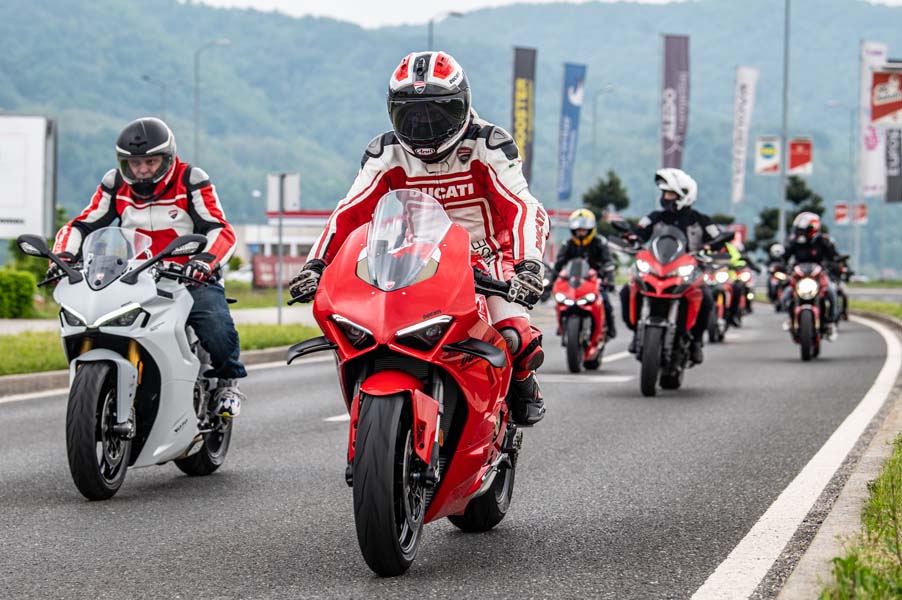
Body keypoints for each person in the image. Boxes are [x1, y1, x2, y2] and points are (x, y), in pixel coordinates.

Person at [289, 51, 549, 426]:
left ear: (463, 106)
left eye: (438, 113)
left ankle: (522, 383)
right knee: (369, 330)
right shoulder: (385, 152)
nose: (425, 126)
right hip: (415, 262)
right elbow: (350, 212)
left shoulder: (489, 144)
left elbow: (522, 206)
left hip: (489, 258)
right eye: (412, 115)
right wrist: (315, 266)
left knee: (514, 336)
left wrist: (529, 266)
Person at [51, 117, 246, 417]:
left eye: (150, 162)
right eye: (134, 163)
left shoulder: (190, 180)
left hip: (189, 277)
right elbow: (82, 224)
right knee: (97, 323)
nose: (141, 170)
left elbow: (219, 229)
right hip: (134, 277)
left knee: (215, 326)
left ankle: (227, 381)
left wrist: (204, 261)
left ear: (167, 158)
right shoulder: (115, 184)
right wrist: (63, 256)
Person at [619, 168, 723, 364]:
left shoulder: (701, 220)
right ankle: (635, 332)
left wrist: (713, 247)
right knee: (627, 291)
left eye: (670, 194)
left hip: (689, 271)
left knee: (707, 299)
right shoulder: (655, 217)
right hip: (658, 268)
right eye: (664, 193)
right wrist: (631, 237)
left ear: (684, 196)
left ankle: (696, 341)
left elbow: (718, 239)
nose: (665, 197)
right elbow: (639, 233)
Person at [552, 208, 617, 339]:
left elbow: (608, 261)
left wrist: (609, 278)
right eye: (578, 230)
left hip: (595, 281)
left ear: (590, 230)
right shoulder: (568, 244)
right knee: (560, 301)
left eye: (583, 230)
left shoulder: (599, 242)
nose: (580, 233)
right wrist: (549, 282)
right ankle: (561, 325)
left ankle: (610, 327)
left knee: (605, 301)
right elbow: (558, 264)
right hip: (573, 282)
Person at [781, 211, 841, 339]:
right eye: (798, 230)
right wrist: (781, 266)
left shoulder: (823, 241)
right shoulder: (794, 242)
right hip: (799, 277)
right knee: (786, 294)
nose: (799, 233)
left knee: (831, 292)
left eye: (802, 230)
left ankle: (831, 322)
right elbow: (784, 257)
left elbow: (833, 257)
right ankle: (790, 318)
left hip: (819, 276)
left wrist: (835, 265)